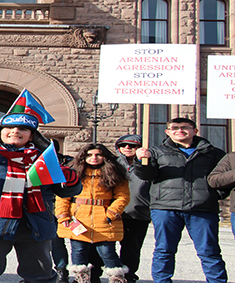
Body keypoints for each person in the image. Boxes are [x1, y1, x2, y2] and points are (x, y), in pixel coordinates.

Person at [0, 113, 81, 283]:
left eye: (23, 128)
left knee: (41, 277)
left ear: (31, 134)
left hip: (36, 224)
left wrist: (70, 180)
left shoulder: (46, 158)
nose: (15, 131)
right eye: (9, 127)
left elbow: (67, 192)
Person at [135, 117, 227, 283]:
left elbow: (223, 178)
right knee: (164, 250)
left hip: (202, 209)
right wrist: (141, 161)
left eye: (185, 127)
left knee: (209, 251)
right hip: (166, 208)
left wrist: (214, 195)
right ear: (168, 132)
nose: (180, 130)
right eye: (175, 127)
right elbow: (146, 175)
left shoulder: (213, 153)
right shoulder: (156, 152)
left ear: (195, 131)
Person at [56, 143, 129, 283]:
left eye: (98, 155)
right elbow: (63, 196)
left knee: (107, 252)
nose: (93, 158)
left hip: (104, 218)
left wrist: (112, 212)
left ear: (105, 157)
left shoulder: (116, 174)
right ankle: (81, 279)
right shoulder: (73, 173)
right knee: (78, 251)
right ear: (83, 157)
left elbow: (123, 196)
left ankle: (117, 279)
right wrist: (63, 215)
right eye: (89, 155)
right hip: (78, 218)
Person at [115, 134, 150, 283]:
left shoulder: (149, 164)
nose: (127, 148)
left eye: (132, 146)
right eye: (123, 145)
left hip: (137, 213)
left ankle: (128, 276)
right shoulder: (113, 164)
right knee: (104, 247)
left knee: (132, 249)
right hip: (114, 213)